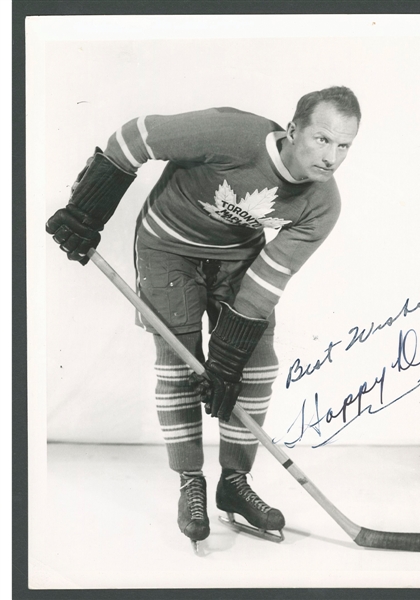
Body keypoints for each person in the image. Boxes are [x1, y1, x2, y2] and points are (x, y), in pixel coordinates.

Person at [46, 85, 361, 550]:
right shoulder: (232, 134)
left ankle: (233, 482)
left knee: (254, 364)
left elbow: (268, 280)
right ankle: (189, 483)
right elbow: (136, 137)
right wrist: (86, 211)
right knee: (179, 361)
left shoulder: (322, 203)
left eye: (344, 145)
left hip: (237, 258)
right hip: (167, 247)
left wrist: (229, 358)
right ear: (293, 130)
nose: (331, 156)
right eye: (321, 138)